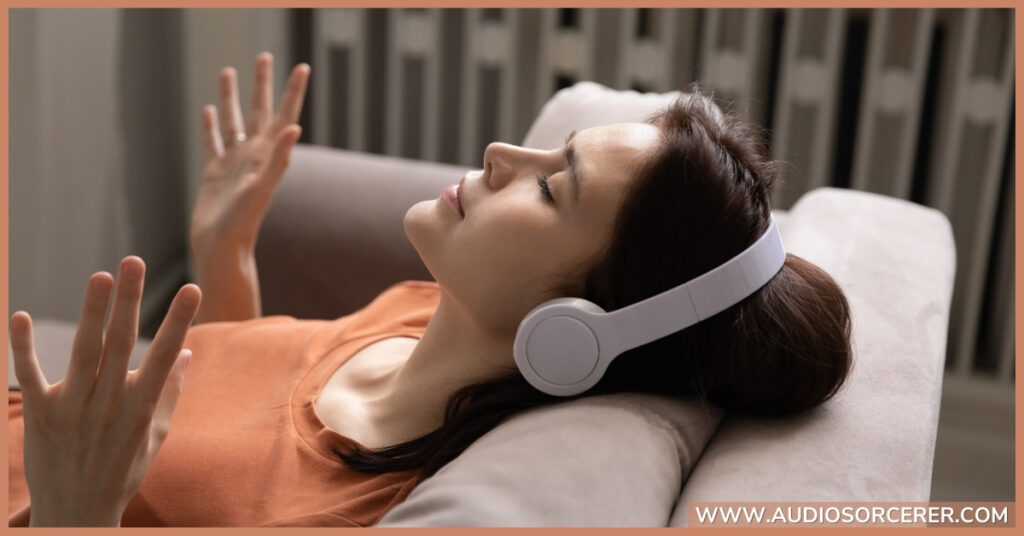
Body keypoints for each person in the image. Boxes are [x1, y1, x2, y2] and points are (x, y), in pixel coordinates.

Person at [8, 52, 852, 527]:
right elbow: (234, 419)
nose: (499, 154)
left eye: (553, 188)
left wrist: (74, 515)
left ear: (576, 333)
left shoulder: (349, 511)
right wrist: (224, 251)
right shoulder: (418, 317)